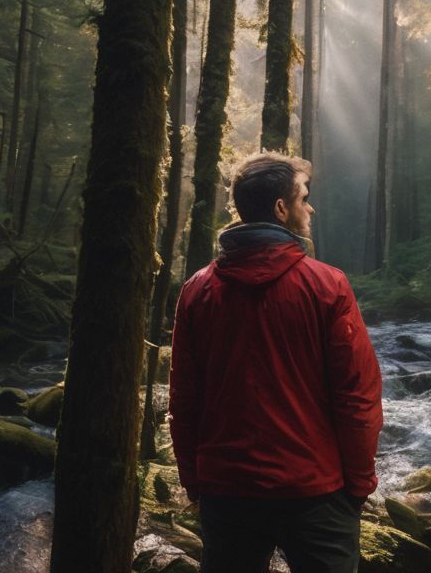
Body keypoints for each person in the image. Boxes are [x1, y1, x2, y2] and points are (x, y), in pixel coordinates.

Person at [168, 152, 384, 573]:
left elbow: (184, 400)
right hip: (314, 491)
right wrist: (358, 485)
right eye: (303, 197)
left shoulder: (197, 290)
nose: (310, 206)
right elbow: (357, 395)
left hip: (225, 491)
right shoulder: (327, 285)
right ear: (281, 208)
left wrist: (195, 481)